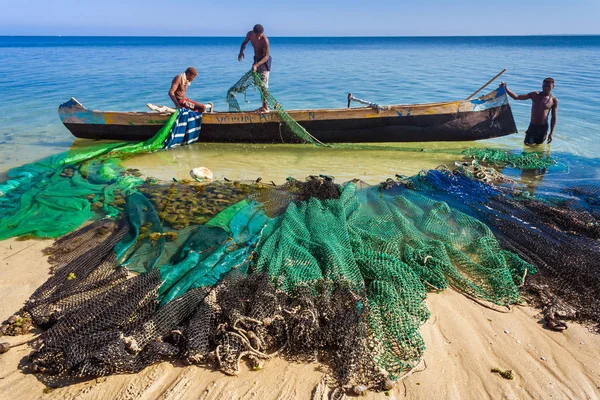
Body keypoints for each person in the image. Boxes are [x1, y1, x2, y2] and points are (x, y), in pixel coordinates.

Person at [502, 78, 558, 145]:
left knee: (538, 147)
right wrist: (506, 88)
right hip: (533, 126)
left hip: (543, 128)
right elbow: (516, 97)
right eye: (544, 86)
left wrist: (551, 133)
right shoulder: (535, 95)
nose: (546, 88)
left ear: (553, 87)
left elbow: (553, 118)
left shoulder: (554, 100)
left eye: (548, 86)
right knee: (527, 145)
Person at [238, 24, 271, 112]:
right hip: (256, 59)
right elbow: (244, 43)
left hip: (264, 62)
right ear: (253, 32)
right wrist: (241, 52)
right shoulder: (250, 34)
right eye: (257, 35)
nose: (259, 37)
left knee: (264, 84)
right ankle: (263, 106)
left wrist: (256, 65)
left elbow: (267, 56)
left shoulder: (265, 40)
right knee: (259, 84)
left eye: (261, 35)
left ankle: (266, 107)